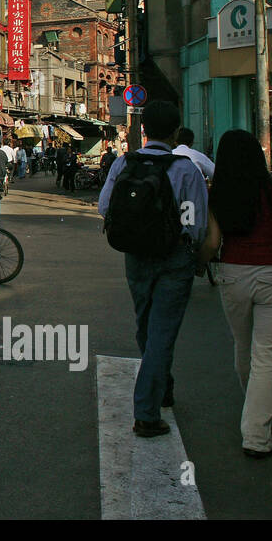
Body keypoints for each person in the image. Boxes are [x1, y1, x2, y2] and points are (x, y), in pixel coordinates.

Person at [198, 130, 272, 459]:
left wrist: (196, 265)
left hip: (233, 275)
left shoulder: (217, 194)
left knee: (243, 347)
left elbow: (211, 243)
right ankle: (257, 435)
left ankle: (260, 416)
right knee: (267, 359)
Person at [98, 100, 208, 438]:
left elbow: (105, 207)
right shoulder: (186, 169)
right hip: (174, 257)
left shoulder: (124, 163)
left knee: (147, 326)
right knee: (163, 331)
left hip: (135, 256)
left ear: (143, 130)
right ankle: (146, 412)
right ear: (175, 132)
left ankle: (162, 385)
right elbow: (196, 221)